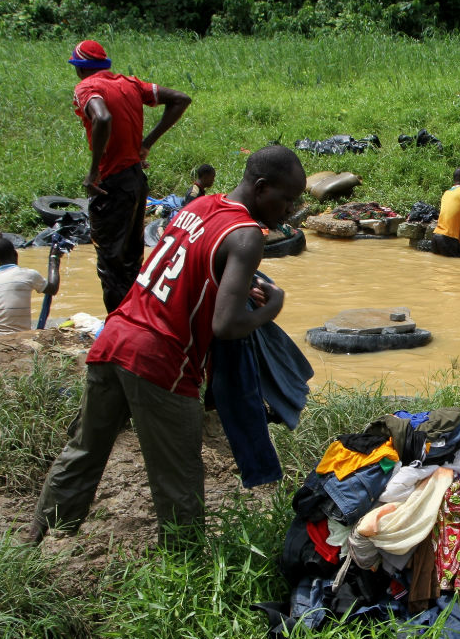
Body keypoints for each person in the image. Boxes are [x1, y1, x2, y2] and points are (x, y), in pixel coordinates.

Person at [22, 145, 307, 549]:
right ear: (262, 189)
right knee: (179, 475)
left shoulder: (201, 205)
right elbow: (225, 326)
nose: (289, 210)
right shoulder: (247, 236)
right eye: (287, 199)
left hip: (114, 337)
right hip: (161, 360)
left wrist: (246, 288)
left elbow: (193, 267)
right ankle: (183, 564)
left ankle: (37, 530)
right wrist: (272, 308)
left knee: (86, 446)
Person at [69, 39, 192, 312]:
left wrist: (93, 171)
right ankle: (135, 322)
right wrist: (146, 143)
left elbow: (102, 118)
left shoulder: (86, 88)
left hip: (110, 186)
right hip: (136, 181)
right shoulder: (130, 84)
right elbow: (181, 99)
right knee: (132, 261)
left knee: (111, 266)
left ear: (79, 68)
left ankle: (116, 330)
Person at [0, 237, 62, 336]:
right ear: (16, 254)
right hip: (20, 338)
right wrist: (54, 258)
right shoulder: (27, 275)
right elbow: (53, 289)